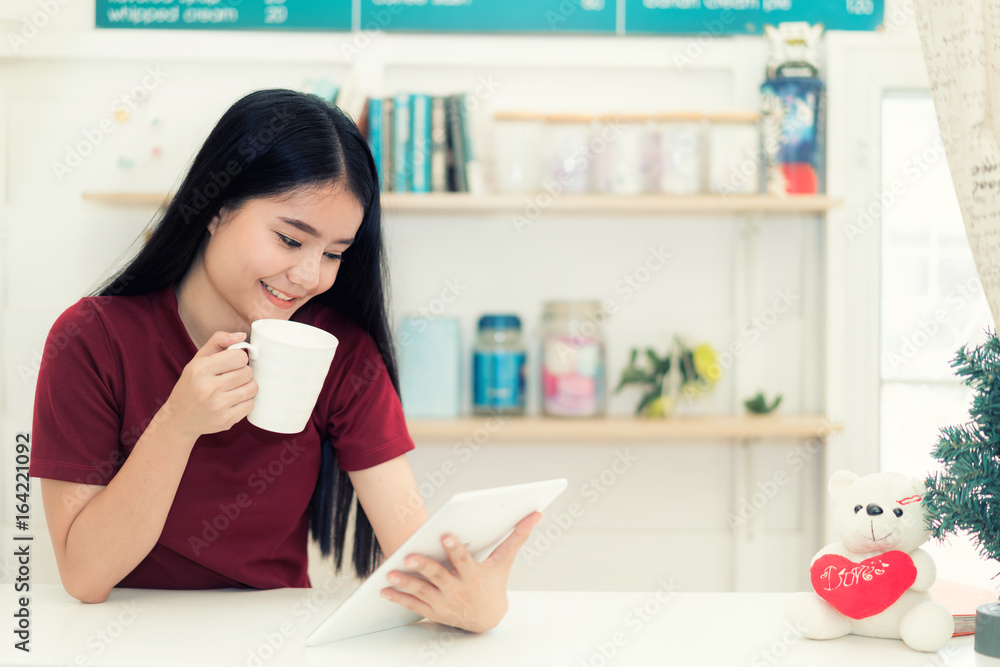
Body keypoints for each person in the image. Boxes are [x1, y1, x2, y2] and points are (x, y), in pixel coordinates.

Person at [29, 88, 542, 633]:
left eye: (334, 254)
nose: (308, 275)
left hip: (273, 640)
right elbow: (84, 577)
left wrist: (476, 604)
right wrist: (178, 425)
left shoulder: (339, 355)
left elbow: (409, 549)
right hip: (121, 641)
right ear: (217, 207)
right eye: (289, 238)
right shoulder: (91, 339)